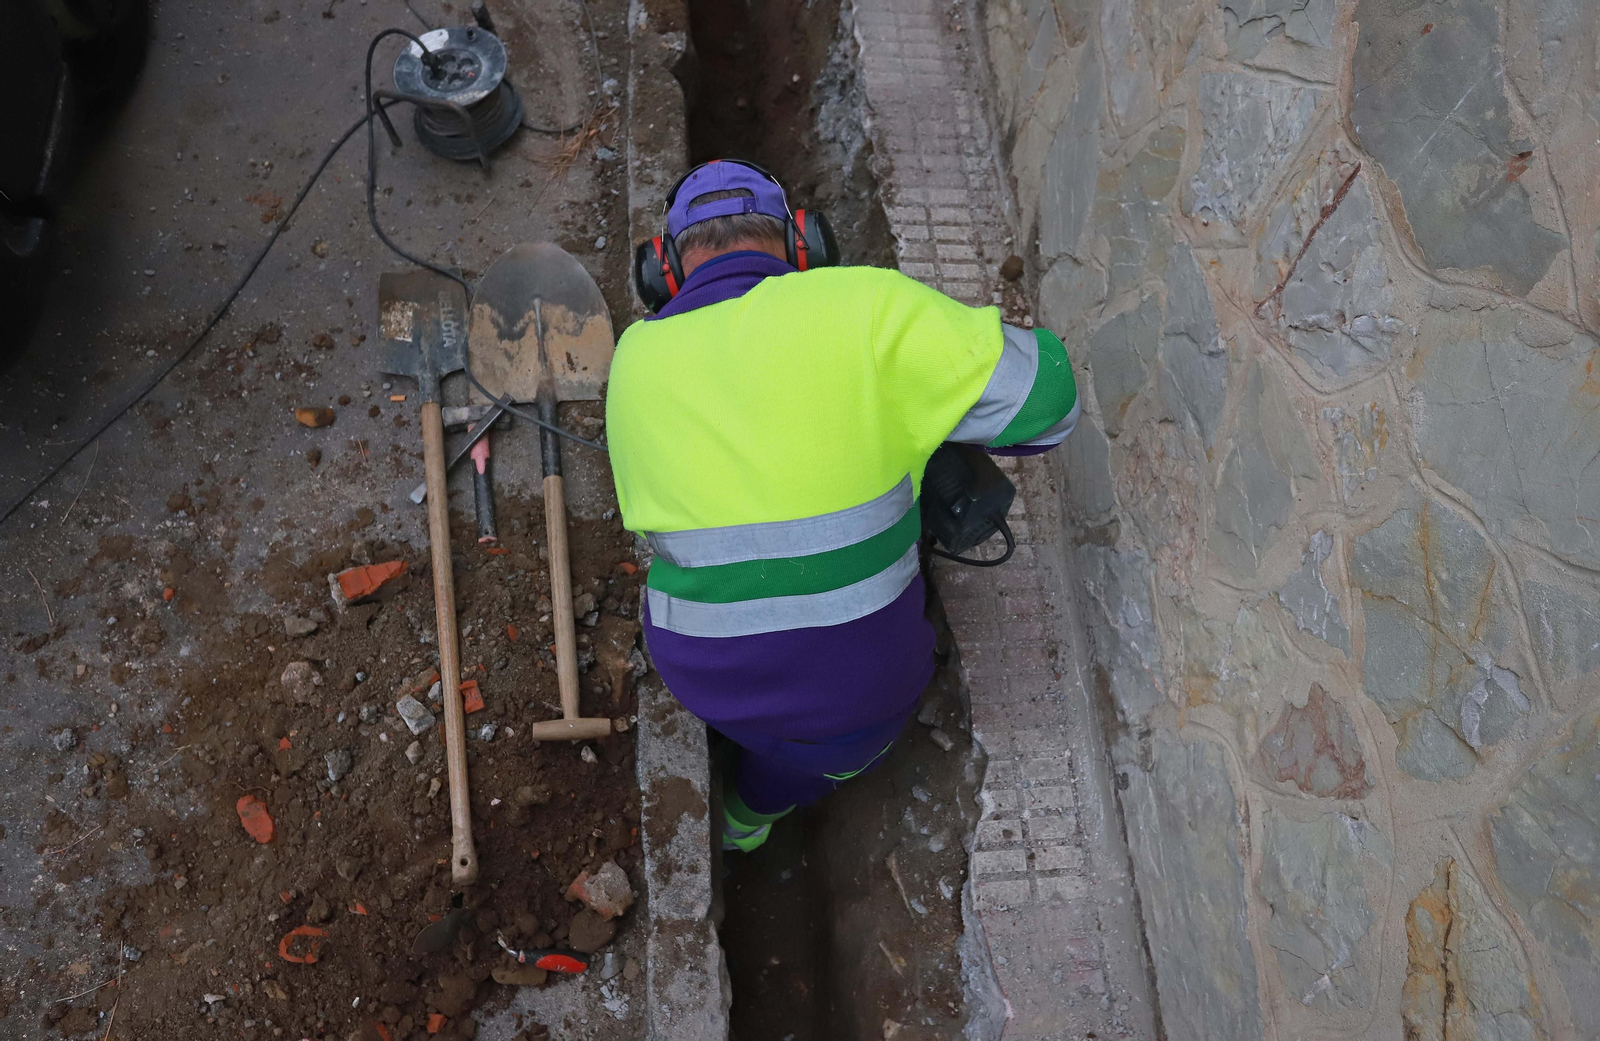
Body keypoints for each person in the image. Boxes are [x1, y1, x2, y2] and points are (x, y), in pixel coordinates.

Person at [606, 160, 1078, 851]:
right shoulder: (866, 305)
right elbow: (1051, 405)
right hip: (853, 697)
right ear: (806, 244)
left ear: (663, 274)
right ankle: (744, 820)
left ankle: (745, 801)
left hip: (698, 671)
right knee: (807, 763)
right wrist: (923, 407)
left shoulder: (632, 359)